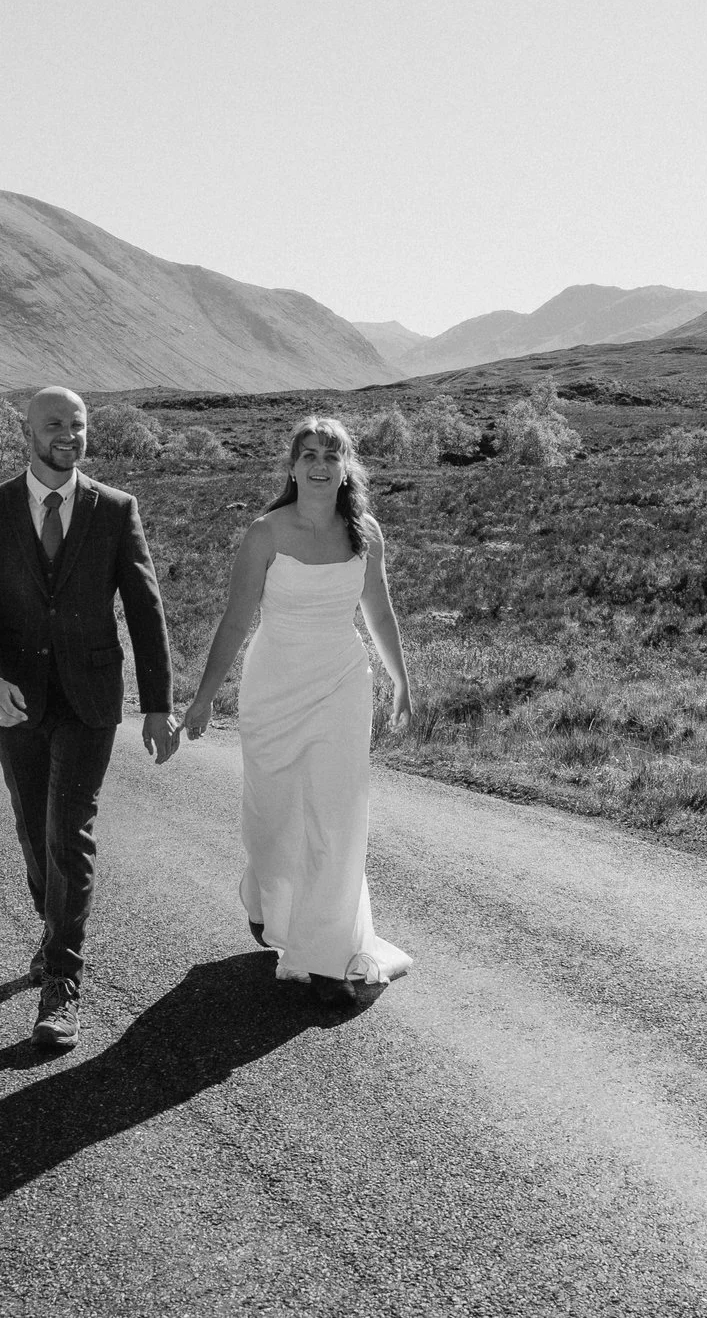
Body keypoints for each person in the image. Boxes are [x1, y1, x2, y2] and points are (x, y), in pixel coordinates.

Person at [0, 386, 180, 1050]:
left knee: (67, 831)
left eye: (78, 425)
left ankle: (62, 984)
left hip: (89, 701)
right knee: (31, 830)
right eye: (56, 424)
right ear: (28, 430)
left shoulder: (115, 511)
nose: (69, 435)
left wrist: (158, 704)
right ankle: (54, 934)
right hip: (14, 701)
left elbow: (146, 609)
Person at [183, 415, 414, 1005]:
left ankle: (328, 957)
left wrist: (401, 684)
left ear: (346, 468)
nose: (319, 465)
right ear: (292, 466)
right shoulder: (265, 533)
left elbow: (379, 615)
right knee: (275, 815)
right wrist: (206, 695)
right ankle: (268, 899)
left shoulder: (365, 533)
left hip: (342, 685)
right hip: (274, 687)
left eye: (330, 456)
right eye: (308, 454)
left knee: (338, 817)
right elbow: (236, 619)